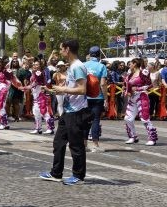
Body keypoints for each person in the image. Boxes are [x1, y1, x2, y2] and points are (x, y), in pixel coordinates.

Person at [40, 40, 91, 185]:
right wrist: (52, 90)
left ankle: (79, 176)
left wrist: (62, 89)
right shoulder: (72, 67)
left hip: (77, 111)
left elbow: (82, 89)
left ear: (67, 49)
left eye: (61, 48)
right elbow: (72, 88)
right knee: (58, 142)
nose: (60, 51)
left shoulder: (78, 67)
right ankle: (56, 173)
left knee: (76, 145)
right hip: (68, 111)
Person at [122, 58, 158, 146]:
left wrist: (138, 88)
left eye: (130, 63)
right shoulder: (130, 74)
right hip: (132, 98)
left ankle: (152, 138)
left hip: (142, 96)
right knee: (128, 118)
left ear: (134, 64)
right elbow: (127, 86)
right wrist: (127, 91)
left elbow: (150, 85)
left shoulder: (143, 72)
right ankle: (132, 136)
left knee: (144, 118)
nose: (129, 65)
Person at [85, 47, 108, 151]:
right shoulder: (101, 66)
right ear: (99, 55)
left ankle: (83, 144)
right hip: (97, 97)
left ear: (89, 54)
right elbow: (103, 84)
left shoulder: (83, 65)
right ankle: (95, 144)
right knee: (95, 120)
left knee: (84, 120)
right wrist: (106, 99)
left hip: (84, 96)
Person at [28, 57, 55, 134]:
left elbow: (36, 83)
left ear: (40, 66)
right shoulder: (34, 73)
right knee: (36, 112)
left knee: (44, 111)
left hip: (40, 95)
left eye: (37, 64)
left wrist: (25, 87)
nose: (35, 66)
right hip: (36, 95)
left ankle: (50, 128)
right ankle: (38, 128)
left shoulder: (38, 73)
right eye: (34, 64)